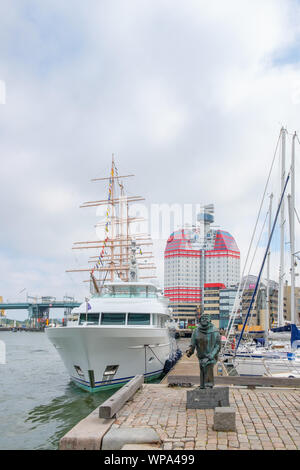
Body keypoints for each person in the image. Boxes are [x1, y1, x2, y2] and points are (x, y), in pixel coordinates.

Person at [186, 315, 221, 389]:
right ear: (200, 320)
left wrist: (212, 355)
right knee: (202, 369)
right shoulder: (196, 331)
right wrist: (189, 352)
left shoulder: (214, 331)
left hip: (211, 356)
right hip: (201, 355)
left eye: (206, 318)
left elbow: (218, 345)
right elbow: (192, 344)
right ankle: (202, 385)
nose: (204, 320)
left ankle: (209, 385)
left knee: (208, 367)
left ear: (210, 320)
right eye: (202, 318)